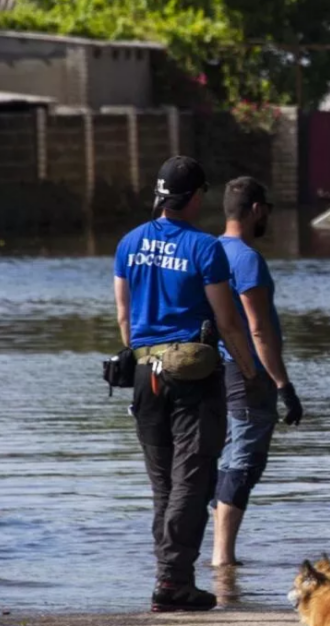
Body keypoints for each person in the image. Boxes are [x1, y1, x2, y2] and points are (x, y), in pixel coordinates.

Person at [114, 156, 260, 612]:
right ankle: (174, 582)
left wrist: (145, 353)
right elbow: (229, 321)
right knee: (191, 483)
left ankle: (169, 578)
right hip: (192, 380)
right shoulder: (204, 248)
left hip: (144, 375)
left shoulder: (128, 242)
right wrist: (251, 373)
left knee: (163, 485)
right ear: (195, 197)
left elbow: (123, 316)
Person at [211, 177, 304, 567]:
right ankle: (223, 558)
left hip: (219, 372)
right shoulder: (246, 258)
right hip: (247, 373)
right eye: (266, 208)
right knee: (244, 462)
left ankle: (220, 557)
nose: (266, 215)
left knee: (229, 457)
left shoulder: (210, 249)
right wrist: (284, 385)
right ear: (255, 210)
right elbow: (258, 329)